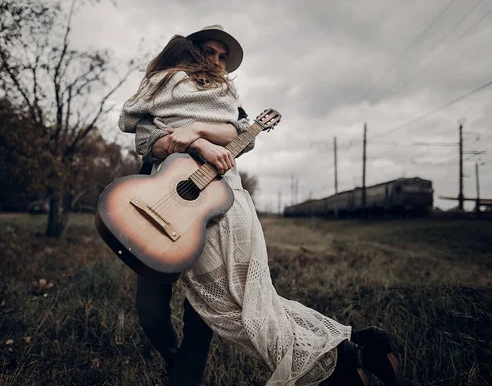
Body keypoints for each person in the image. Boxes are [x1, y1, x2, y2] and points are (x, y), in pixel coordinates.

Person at [119, 25, 405, 386]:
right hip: (161, 211)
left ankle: (341, 364)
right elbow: (148, 142)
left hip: (216, 212)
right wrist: (197, 143)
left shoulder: (227, 102)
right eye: (210, 52)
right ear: (193, 52)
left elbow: (240, 133)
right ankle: (355, 345)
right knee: (151, 311)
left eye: (224, 56)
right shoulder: (166, 92)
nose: (218, 61)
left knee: (216, 314)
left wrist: (196, 133)